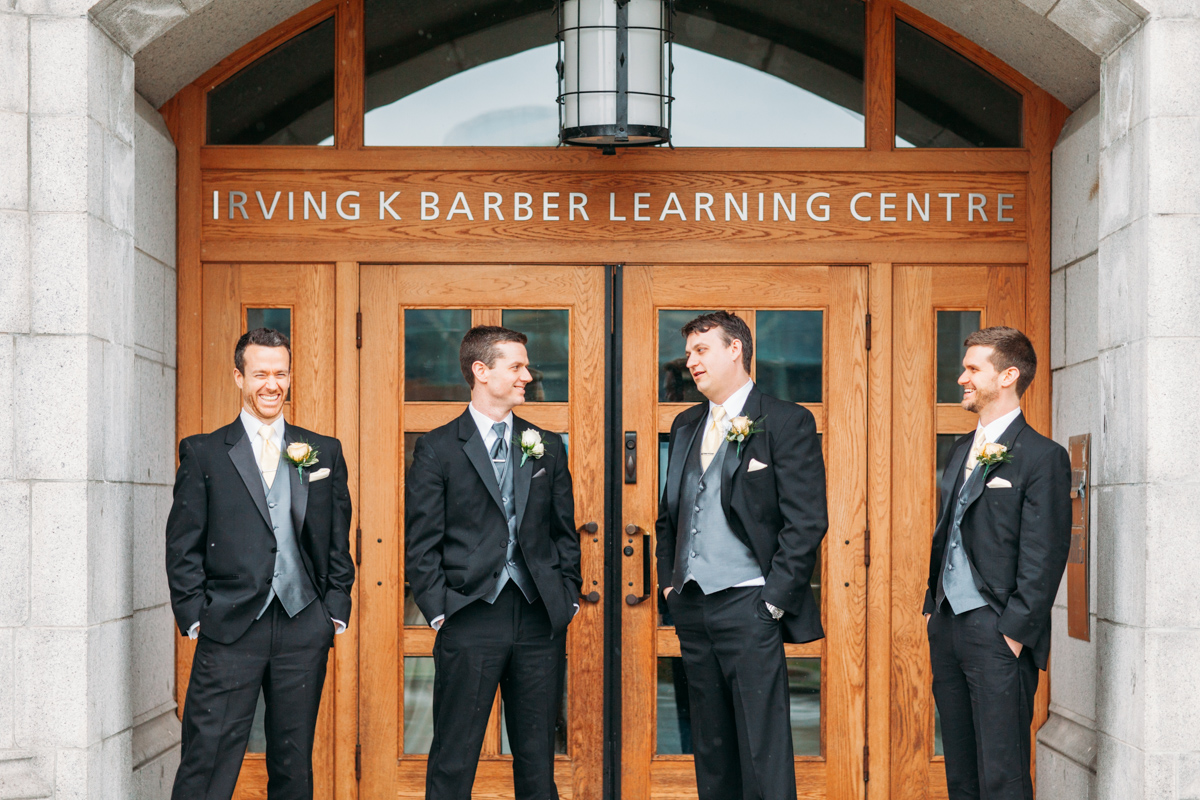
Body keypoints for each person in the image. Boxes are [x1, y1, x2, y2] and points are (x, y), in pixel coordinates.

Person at [166, 328, 355, 800]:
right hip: (230, 626)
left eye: (281, 373)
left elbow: (337, 536)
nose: (272, 384)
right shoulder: (204, 451)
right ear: (239, 377)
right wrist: (194, 616)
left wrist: (332, 609)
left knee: (293, 763)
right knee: (207, 760)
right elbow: (182, 543)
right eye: (260, 374)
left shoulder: (322, 450)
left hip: (302, 625)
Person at [656, 311, 828, 800]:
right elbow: (670, 515)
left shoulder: (787, 420)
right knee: (710, 745)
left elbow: (807, 520)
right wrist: (671, 583)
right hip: (693, 605)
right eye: (688, 353)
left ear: (736, 350)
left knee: (762, 745)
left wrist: (773, 599)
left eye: (701, 349)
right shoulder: (686, 424)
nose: (691, 361)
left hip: (750, 605)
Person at [406, 325, 582, 800]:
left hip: (537, 615)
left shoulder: (545, 443)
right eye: (517, 366)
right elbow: (421, 541)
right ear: (482, 372)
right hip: (468, 614)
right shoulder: (438, 446)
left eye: (525, 366)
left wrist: (566, 596)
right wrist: (440, 608)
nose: (527, 374)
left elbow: (563, 529)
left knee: (537, 756)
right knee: (454, 755)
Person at [924, 326, 1071, 800]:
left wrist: (1012, 633)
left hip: (999, 632)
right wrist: (933, 609)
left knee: (1002, 774)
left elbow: (1044, 554)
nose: (961, 377)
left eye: (972, 369)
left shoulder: (1044, 457)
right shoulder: (961, 449)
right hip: (948, 626)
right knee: (961, 771)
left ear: (1008, 375)